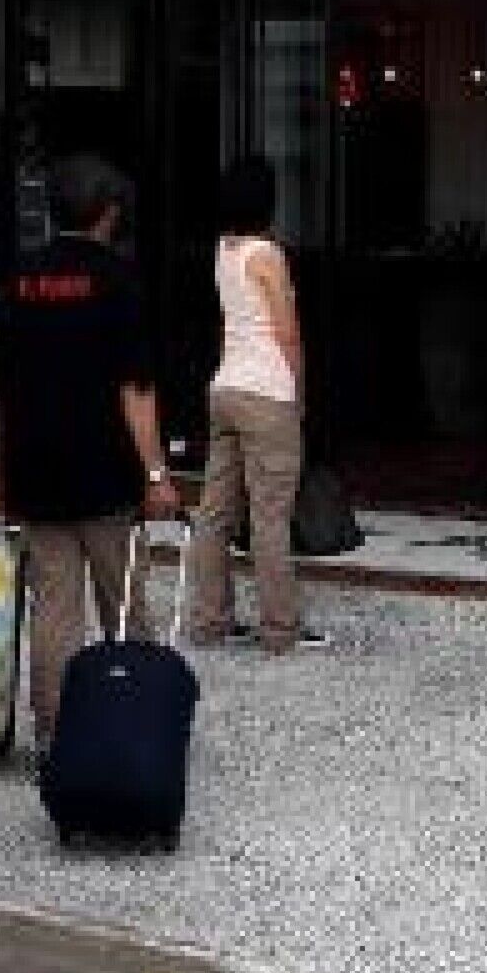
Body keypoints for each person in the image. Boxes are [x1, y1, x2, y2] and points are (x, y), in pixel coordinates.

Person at [0, 152, 180, 752]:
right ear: (109, 213)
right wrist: (156, 474)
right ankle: (137, 723)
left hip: (35, 470)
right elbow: (136, 389)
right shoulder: (119, 281)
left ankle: (54, 734)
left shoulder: (19, 280)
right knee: (123, 604)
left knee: (54, 609)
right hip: (106, 472)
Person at [186, 152, 312, 653]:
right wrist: (298, 393)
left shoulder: (223, 251)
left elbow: (228, 324)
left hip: (227, 386)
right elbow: (287, 332)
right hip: (266, 392)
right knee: (269, 516)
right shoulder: (267, 255)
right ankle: (279, 627)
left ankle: (209, 620)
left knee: (214, 512)